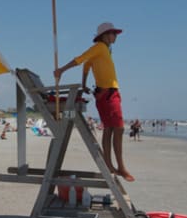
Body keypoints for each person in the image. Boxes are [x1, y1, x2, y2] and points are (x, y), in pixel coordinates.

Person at [54, 21, 134, 182]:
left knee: (110, 129)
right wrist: (61, 70)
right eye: (113, 33)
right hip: (108, 94)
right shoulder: (99, 48)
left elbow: (86, 66)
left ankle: (110, 164)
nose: (115, 36)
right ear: (104, 35)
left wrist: (84, 84)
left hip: (108, 93)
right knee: (118, 129)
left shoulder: (104, 50)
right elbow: (80, 60)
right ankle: (120, 167)